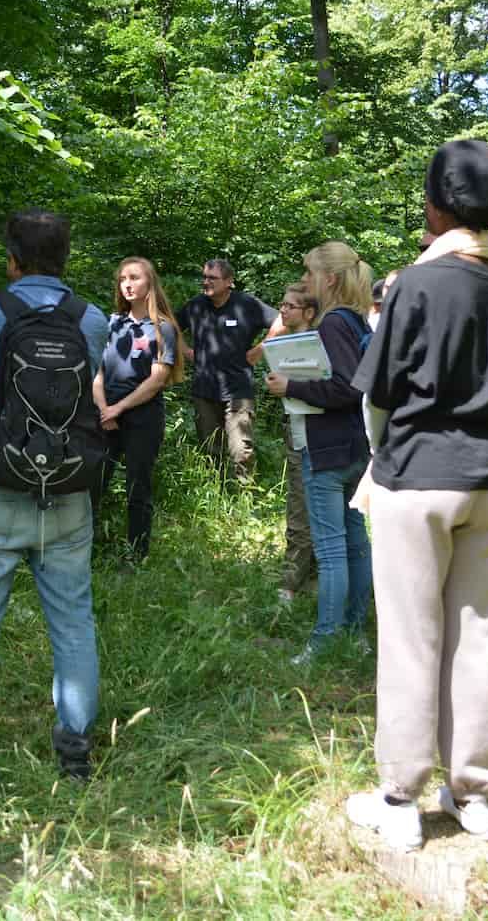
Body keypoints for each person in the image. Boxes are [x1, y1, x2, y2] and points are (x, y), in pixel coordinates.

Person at [345, 139, 488, 852]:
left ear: (436, 203)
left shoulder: (418, 286)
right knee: (476, 638)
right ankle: (474, 790)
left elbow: (380, 389)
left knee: (411, 639)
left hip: (418, 477)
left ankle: (401, 796)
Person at [0, 209, 108, 791]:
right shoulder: (93, 320)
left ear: (11, 259)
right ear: (66, 258)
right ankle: (76, 749)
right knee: (73, 622)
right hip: (66, 491)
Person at [265, 242, 373, 664]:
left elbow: (346, 387)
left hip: (327, 450)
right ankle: (354, 632)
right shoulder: (357, 321)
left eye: (310, 274)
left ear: (329, 278)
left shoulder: (332, 325)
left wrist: (290, 386)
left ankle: (325, 640)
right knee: (355, 544)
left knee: (331, 549)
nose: (306, 282)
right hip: (355, 446)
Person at [91, 257, 182, 564]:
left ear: (150, 285)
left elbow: (157, 379)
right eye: (122, 279)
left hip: (143, 418)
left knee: (137, 487)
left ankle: (135, 555)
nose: (127, 284)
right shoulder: (112, 323)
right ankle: (82, 550)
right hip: (105, 417)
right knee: (93, 483)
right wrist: (105, 409)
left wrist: (120, 408)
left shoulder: (163, 328)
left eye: (134, 278)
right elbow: (98, 374)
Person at [179, 259, 277, 485]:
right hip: (204, 390)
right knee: (209, 448)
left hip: (238, 391)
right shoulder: (196, 306)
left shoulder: (246, 304)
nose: (206, 282)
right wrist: (185, 350)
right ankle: (214, 497)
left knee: (241, 450)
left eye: (212, 278)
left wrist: (260, 349)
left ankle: (244, 497)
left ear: (229, 281)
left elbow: (282, 320)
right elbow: (169, 325)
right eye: (204, 277)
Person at [273, 284, 320, 602]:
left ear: (309, 312)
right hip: (297, 431)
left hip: (321, 435)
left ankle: (294, 580)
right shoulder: (283, 343)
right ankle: (300, 575)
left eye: (291, 306)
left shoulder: (320, 344)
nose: (283, 310)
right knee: (297, 503)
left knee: (310, 507)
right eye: (282, 304)